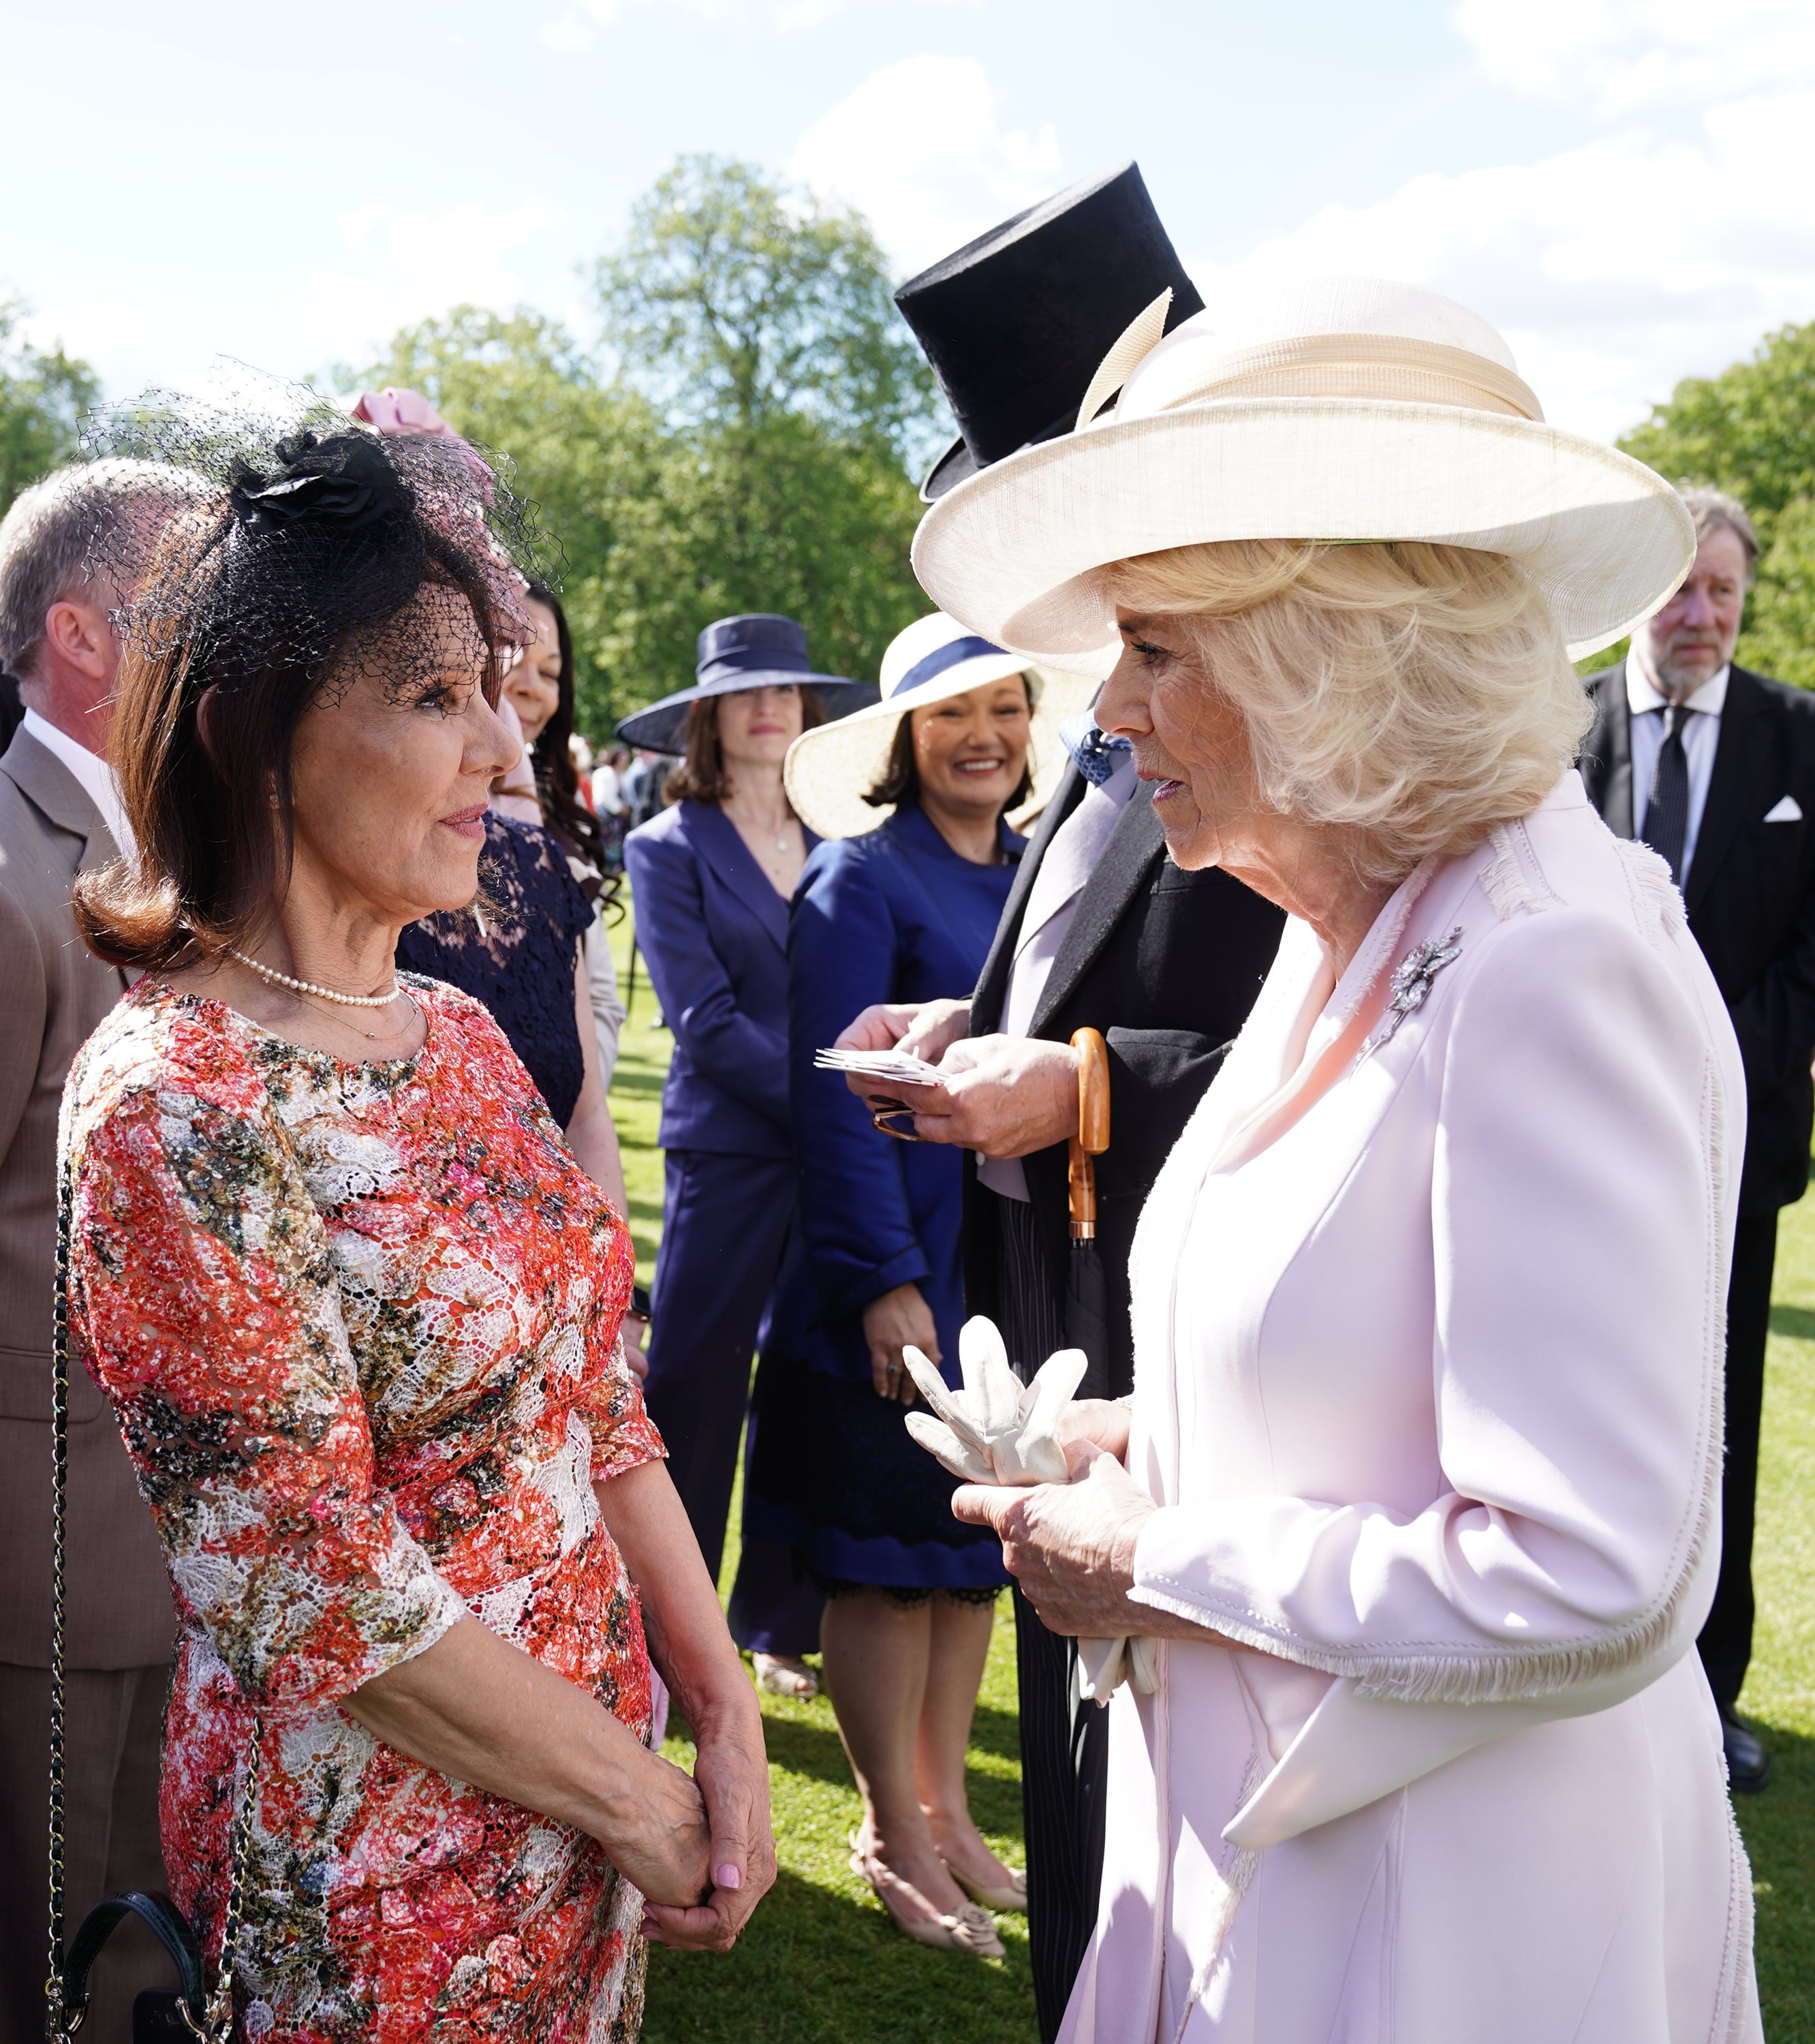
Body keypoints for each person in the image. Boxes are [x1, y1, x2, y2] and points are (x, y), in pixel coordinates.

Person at [912, 279, 1760, 2042]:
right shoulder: (1345, 919)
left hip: (1462, 1916)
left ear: (1328, 645)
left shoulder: (1550, 957)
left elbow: (1592, 1570)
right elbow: (1368, 1367)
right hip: (1288, 1853)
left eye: (1154, 648)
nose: (1113, 713)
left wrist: (1157, 1558)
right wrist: (1132, 1438)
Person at [59, 398, 773, 2039]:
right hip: (371, 1874)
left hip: (578, 1813)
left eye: (501, 693)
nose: (504, 753)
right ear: (253, 731)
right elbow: (313, 1581)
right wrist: (646, 1804)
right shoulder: (180, 1095)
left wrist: (720, 1705)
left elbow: (599, 1389)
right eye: (437, 697)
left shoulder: (450, 1031)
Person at [841, 166, 1286, 2039]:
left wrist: (1078, 1083)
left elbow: (1336, 1037)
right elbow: (1093, 949)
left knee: (1186, 1836)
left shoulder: (1270, 690)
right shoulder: (1115, 691)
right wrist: (975, 1021)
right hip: (1056, 1347)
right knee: (1095, 1817)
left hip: (1185, 1351)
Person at [739, 611, 1078, 1957]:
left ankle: (950, 1818)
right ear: (903, 738)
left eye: (1003, 709)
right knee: (883, 1565)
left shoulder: (1035, 872)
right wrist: (881, 1276)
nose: (983, 737)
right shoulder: (857, 877)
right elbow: (828, 1095)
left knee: (966, 1558)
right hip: (890, 1276)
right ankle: (891, 1825)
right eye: (953, 715)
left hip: (1004, 1273)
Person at [0, 459, 207, 2044]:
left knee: (148, 1908)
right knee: (53, 1927)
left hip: (184, 1490)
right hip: (47, 1507)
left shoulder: (179, 837)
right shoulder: (13, 874)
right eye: (191, 597)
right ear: (82, 629)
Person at [1581, 487, 1815, 1795]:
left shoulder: (1798, 740)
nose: (1700, 618)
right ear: (1632, 596)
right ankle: (1579, 1677)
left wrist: (1711, 1069)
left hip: (1734, 1153)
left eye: (1720, 593)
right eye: (1677, 591)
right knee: (1583, 1397)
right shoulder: (1553, 732)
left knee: (1718, 1414)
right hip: (1572, 1138)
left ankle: (1701, 1695)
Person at [621, 616, 871, 1696]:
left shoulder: (847, 839)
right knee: (694, 1391)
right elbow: (706, 1020)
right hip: (729, 1151)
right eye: (745, 693)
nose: (771, 708)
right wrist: (837, 1102)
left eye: (787, 690)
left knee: (810, 1390)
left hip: (840, 1157)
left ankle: (777, 1622)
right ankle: (667, 1647)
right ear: (708, 718)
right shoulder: (664, 847)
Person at [496, 583, 628, 1087]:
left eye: (550, 672)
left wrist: (562, 1110)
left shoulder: (558, 828)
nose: (533, 687)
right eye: (509, 658)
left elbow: (599, 1000)